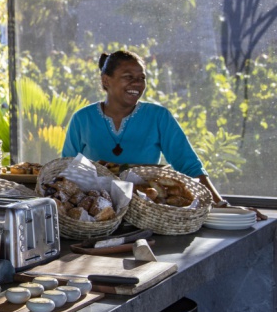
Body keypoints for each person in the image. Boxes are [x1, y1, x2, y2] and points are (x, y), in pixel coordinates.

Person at [62, 49, 265, 219]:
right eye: (128, 77)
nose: (137, 84)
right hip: (96, 215)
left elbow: (189, 165)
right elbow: (66, 170)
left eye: (142, 78)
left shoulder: (159, 117)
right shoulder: (82, 118)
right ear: (106, 80)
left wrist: (221, 204)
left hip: (148, 213)